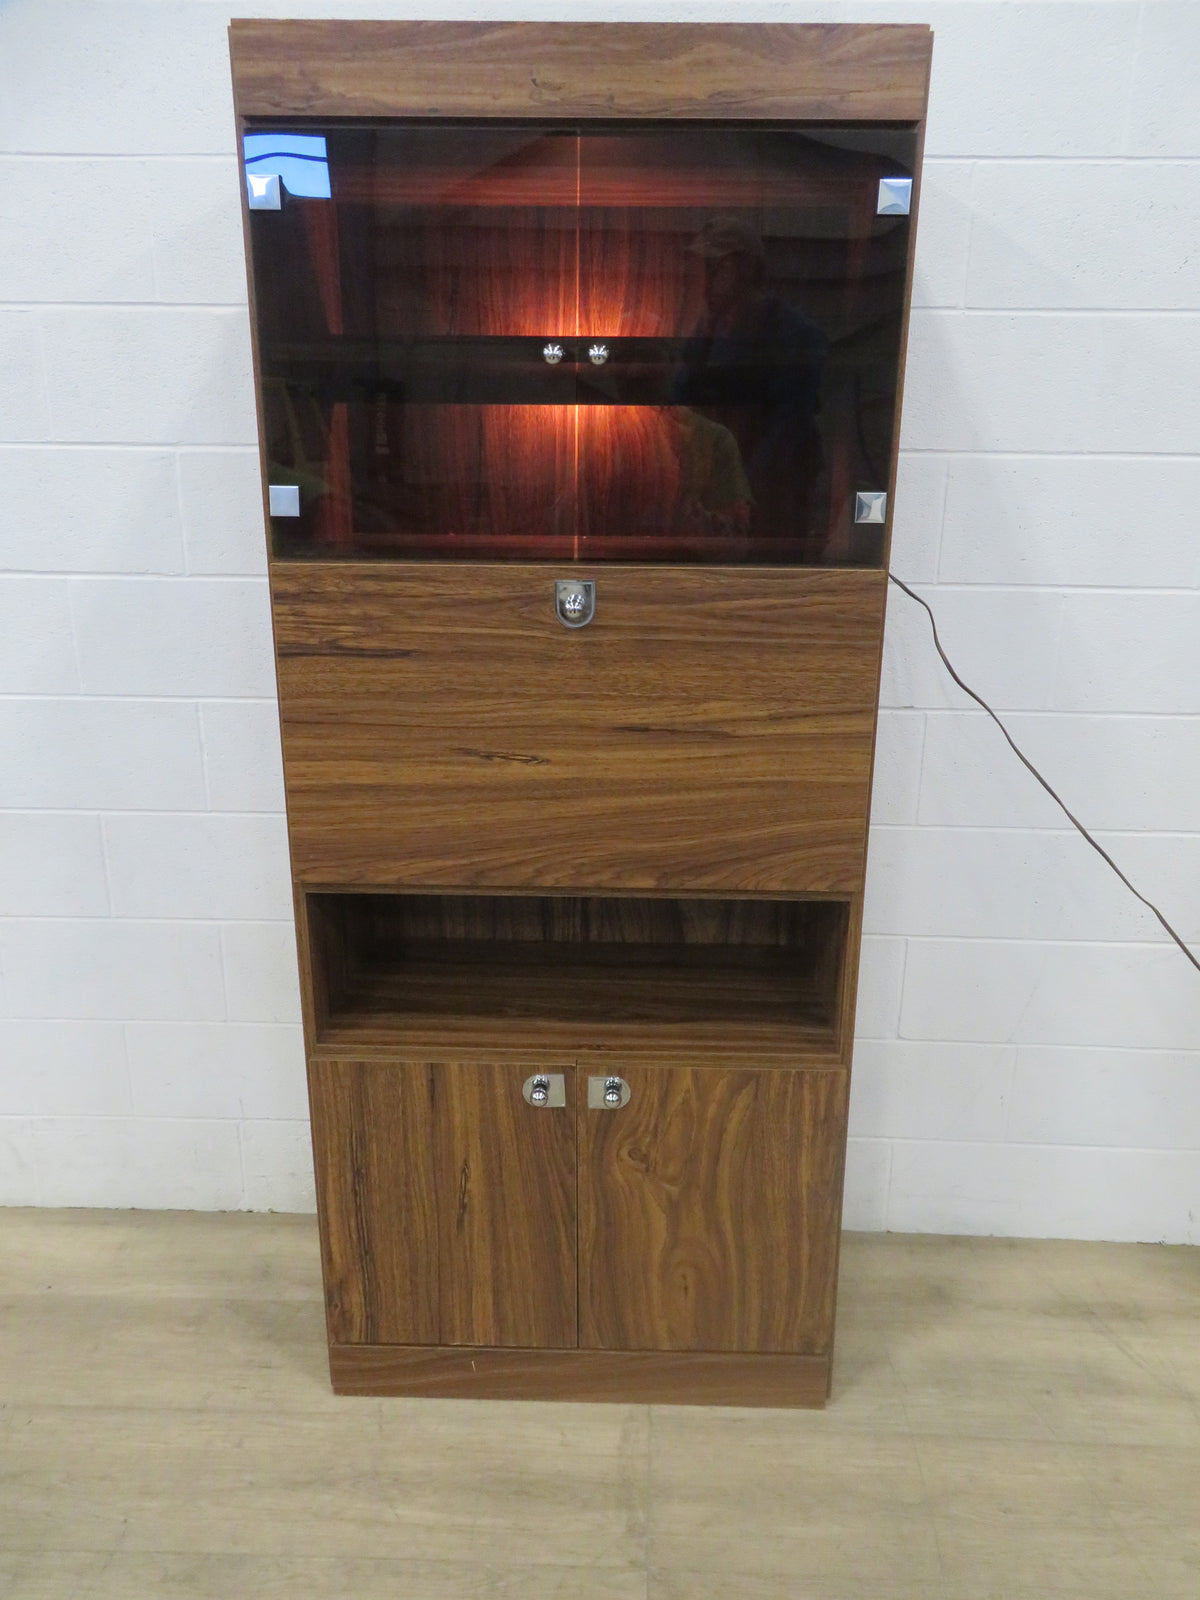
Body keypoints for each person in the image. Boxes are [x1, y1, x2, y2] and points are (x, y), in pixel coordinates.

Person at [672, 216, 827, 553]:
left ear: (743, 270)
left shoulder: (794, 336)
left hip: (772, 507)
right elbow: (679, 402)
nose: (704, 282)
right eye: (704, 268)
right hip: (717, 505)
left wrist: (740, 493)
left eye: (716, 268)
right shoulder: (708, 329)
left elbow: (789, 433)